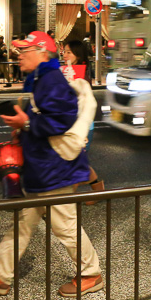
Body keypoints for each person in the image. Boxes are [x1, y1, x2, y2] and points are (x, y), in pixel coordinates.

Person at [0, 31, 104, 298]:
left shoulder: (51, 80)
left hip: (55, 171)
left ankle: (91, 274)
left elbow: (62, 120)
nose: (18, 57)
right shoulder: (42, 78)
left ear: (43, 53)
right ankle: (0, 274)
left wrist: (26, 123)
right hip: (43, 169)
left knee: (65, 226)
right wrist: (23, 126)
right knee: (23, 221)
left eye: (24, 51)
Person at [62, 39, 105, 201]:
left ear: (78, 56)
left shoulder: (82, 77)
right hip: (70, 125)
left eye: (68, 52)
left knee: (71, 163)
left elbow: (83, 105)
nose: (64, 54)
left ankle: (64, 202)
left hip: (81, 126)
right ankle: (97, 189)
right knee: (76, 162)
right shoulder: (66, 71)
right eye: (64, 51)